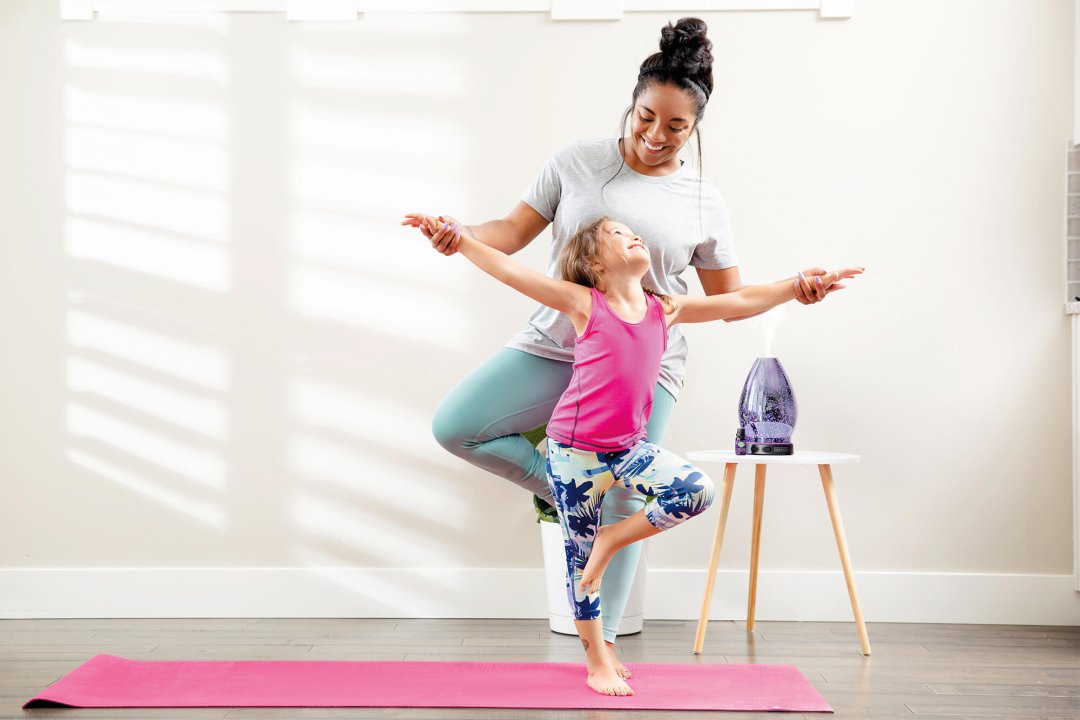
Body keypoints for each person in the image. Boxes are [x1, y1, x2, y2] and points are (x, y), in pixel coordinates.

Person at [402, 17, 838, 678]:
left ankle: (599, 649)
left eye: (675, 127)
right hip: (556, 346)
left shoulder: (701, 200)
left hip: (646, 363)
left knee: (628, 501)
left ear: (695, 128)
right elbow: (510, 237)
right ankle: (567, 493)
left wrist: (796, 287)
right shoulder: (575, 162)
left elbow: (729, 298)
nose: (655, 136)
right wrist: (456, 232)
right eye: (645, 117)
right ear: (631, 104)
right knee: (457, 426)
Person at [403, 214, 862, 695]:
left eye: (633, 231)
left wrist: (799, 284)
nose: (633, 234)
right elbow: (510, 272)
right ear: (594, 264)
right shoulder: (584, 303)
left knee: (696, 491)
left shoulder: (665, 309)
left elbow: (740, 299)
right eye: (617, 234)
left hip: (628, 450)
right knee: (580, 567)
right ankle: (597, 658)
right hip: (573, 453)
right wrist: (458, 241)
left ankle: (612, 537)